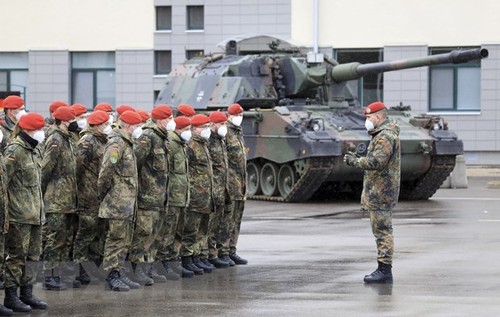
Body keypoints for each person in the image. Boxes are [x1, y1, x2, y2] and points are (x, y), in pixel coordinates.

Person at [343, 101, 401, 284]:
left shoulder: (384, 137)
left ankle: (384, 270)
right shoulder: (382, 135)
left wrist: (354, 161)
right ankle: (383, 268)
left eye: (368, 118)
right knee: (381, 230)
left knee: (382, 230)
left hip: (381, 192)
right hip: (380, 190)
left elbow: (377, 162)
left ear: (378, 117)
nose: (366, 121)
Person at [3, 113, 48, 313]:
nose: (42, 133)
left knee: (33, 256)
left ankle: (26, 294)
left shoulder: (34, 150)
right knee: (17, 257)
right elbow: (4, 184)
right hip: (19, 215)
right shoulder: (15, 150)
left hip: (35, 214)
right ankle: (11, 296)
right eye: (39, 129)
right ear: (28, 130)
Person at [129, 105, 177, 285]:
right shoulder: (147, 137)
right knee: (143, 235)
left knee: (156, 236)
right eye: (169, 118)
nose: (172, 121)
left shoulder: (162, 137)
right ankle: (136, 269)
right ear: (161, 120)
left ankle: (148, 268)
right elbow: (135, 164)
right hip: (147, 197)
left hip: (160, 197)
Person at [98, 110, 142, 292]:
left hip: (127, 202)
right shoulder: (116, 143)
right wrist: (106, 195)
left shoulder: (127, 143)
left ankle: (119, 272)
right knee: (115, 240)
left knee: (124, 241)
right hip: (117, 202)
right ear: (129, 125)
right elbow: (105, 172)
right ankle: (111, 275)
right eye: (137, 125)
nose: (139, 129)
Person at [41, 106, 79, 290]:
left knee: (65, 239)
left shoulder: (68, 138)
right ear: (64, 121)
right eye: (72, 120)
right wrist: (41, 195)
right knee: (54, 239)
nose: (75, 123)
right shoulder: (56, 139)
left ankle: (59, 273)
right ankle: (49, 275)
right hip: (56, 198)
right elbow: (46, 168)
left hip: (68, 198)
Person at [73, 110, 112, 285]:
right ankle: (81, 269)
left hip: (100, 196)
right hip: (88, 196)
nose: (108, 127)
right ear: (96, 125)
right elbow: (77, 169)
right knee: (85, 234)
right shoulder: (87, 141)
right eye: (105, 124)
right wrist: (83, 189)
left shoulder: (103, 140)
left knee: (98, 233)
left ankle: (94, 267)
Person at [157, 116, 195, 278]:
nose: (189, 132)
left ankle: (173, 261)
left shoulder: (181, 143)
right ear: (179, 129)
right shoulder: (172, 144)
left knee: (177, 232)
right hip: (173, 195)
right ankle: (164, 264)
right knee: (168, 232)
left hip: (181, 195)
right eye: (187, 129)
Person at [180, 114, 213, 275]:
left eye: (208, 126)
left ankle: (196, 256)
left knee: (201, 229)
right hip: (194, 195)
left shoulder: (203, 144)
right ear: (195, 129)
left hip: (205, 195)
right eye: (203, 127)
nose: (207, 130)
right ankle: (186, 258)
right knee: (190, 229)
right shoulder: (191, 145)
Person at [223, 103, 248, 265]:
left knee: (236, 218)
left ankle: (232, 249)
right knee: (227, 218)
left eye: (241, 114)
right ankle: (223, 251)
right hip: (230, 182)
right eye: (237, 115)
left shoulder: (238, 132)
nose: (239, 117)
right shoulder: (225, 133)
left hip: (241, 182)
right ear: (230, 116)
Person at [206, 111, 231, 268]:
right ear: (213, 125)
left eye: (225, 123)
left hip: (223, 187)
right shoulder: (208, 141)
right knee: (210, 223)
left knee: (219, 223)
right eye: (221, 124)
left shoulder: (221, 140)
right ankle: (209, 254)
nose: (224, 127)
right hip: (212, 189)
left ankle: (215, 253)